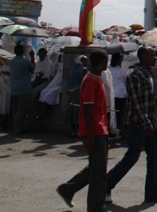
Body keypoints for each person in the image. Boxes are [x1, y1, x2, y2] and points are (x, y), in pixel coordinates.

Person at [105, 47, 157, 204]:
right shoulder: (135, 75)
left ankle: (153, 192)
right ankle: (106, 184)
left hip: (151, 120)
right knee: (132, 157)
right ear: (143, 57)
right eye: (152, 55)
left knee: (156, 157)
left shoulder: (149, 73)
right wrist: (146, 123)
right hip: (138, 123)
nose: (155, 58)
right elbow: (136, 102)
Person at [56, 49, 109, 212]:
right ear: (101, 62)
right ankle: (95, 206)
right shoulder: (91, 80)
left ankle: (68, 189)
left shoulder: (95, 78)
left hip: (98, 128)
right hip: (95, 129)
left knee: (95, 168)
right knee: (98, 172)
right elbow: (87, 108)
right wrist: (91, 135)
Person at [9, 43, 35, 133]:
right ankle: (18, 128)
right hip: (23, 88)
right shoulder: (25, 62)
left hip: (13, 88)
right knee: (21, 110)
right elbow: (32, 68)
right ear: (22, 52)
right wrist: (32, 57)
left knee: (15, 109)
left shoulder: (11, 61)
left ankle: (15, 127)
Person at [65, 55, 88, 135]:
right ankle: (77, 130)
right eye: (85, 60)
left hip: (71, 91)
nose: (86, 62)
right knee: (77, 111)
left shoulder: (72, 68)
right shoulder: (83, 69)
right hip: (78, 91)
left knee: (71, 110)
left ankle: (73, 130)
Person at [108, 53, 128, 137]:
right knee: (118, 114)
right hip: (120, 94)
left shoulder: (108, 69)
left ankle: (111, 130)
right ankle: (116, 131)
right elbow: (126, 81)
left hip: (111, 93)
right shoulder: (122, 71)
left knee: (111, 113)